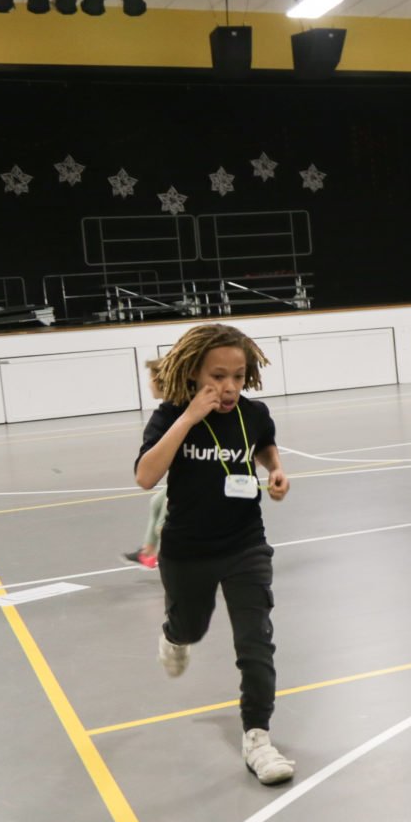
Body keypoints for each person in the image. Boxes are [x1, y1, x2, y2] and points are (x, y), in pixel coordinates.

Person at [133, 324, 295, 785]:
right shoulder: (170, 416)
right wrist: (188, 418)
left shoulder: (254, 414)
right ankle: (174, 635)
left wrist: (277, 470)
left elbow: (263, 445)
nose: (228, 387)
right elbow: (146, 477)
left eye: (238, 377)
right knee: (192, 627)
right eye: (217, 377)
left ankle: (258, 738)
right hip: (188, 551)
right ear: (193, 374)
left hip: (245, 543)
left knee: (255, 642)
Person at [124, 358, 167, 568]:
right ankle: (148, 552)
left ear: (160, 381)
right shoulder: (166, 412)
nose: (148, 384)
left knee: (165, 519)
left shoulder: (172, 414)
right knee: (156, 502)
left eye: (150, 379)